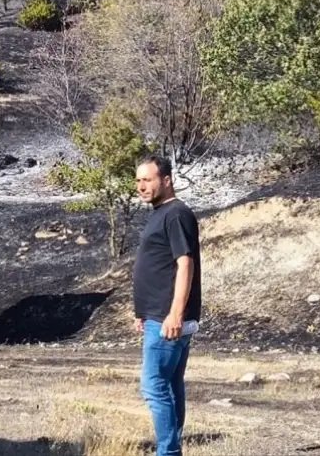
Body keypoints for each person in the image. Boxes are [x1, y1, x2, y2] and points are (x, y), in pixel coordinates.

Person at [132, 154, 201, 456]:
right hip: (156, 317)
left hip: (167, 319)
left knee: (153, 386)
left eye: (147, 179)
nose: (141, 186)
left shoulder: (175, 214)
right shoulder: (161, 213)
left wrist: (175, 313)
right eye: (138, 180)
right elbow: (158, 266)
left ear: (167, 180)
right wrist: (142, 313)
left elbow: (185, 264)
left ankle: (169, 452)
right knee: (171, 386)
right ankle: (171, 450)